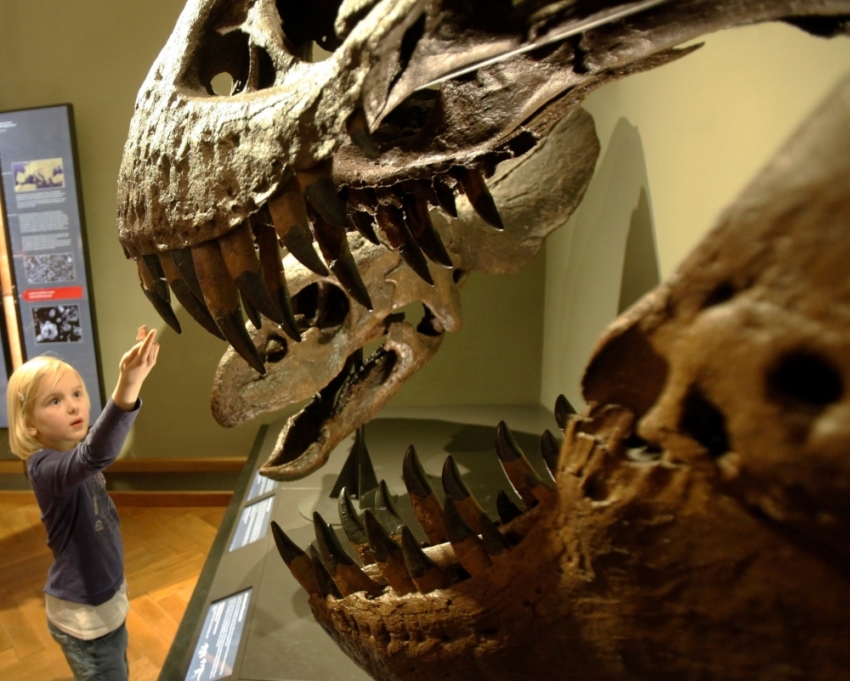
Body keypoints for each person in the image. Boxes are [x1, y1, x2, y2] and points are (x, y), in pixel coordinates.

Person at [6, 326, 160, 680]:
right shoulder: (44, 468)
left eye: (77, 393)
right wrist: (128, 384)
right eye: (55, 401)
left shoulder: (72, 452)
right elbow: (96, 455)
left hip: (106, 600)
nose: (74, 404)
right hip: (84, 620)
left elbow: (95, 447)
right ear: (29, 425)